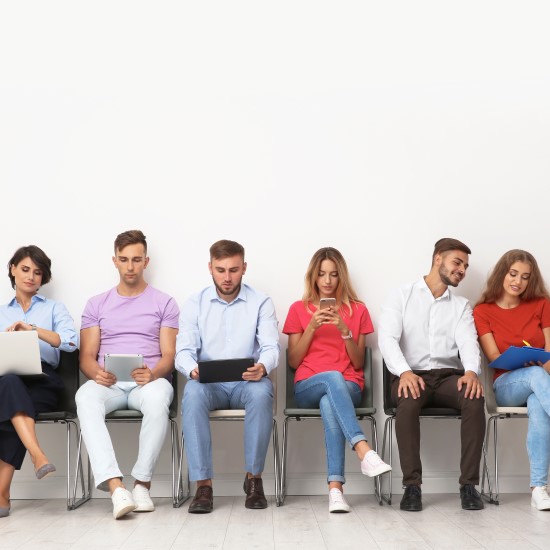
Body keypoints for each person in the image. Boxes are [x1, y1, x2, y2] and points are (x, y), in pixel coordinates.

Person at [75, 230, 179, 519]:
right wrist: (97, 373)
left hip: (148, 382)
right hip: (108, 383)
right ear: (115, 261)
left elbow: (169, 355)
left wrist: (153, 373)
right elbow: (86, 356)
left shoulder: (165, 303)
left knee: (159, 399)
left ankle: (142, 485)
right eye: (124, 260)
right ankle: (116, 487)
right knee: (84, 397)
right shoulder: (97, 304)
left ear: (146, 261)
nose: (130, 266)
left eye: (136, 260)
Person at [378, 237, 485, 512]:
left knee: (474, 398)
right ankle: (412, 486)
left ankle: (469, 486)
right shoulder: (401, 295)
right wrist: (404, 372)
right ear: (438, 258)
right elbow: (387, 339)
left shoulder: (460, 306)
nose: (462, 270)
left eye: (465, 266)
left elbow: (468, 343)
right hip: (410, 375)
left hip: (449, 377)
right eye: (457, 262)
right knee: (409, 399)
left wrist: (471, 372)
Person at [282, 247, 391, 513]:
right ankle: (363, 448)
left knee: (331, 400)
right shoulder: (298, 309)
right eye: (322, 275)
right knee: (331, 379)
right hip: (308, 384)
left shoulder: (358, 311)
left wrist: (344, 331)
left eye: (333, 275)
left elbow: (357, 363)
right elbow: (294, 361)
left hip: (349, 386)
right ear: (313, 277)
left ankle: (335, 491)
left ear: (341, 277)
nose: (328, 281)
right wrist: (312, 327)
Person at [176, 239, 279, 513]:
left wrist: (264, 367)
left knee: (262, 392)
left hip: (248, 381)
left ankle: (254, 479)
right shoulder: (194, 303)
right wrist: (193, 369)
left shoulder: (261, 302)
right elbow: (183, 352)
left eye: (233, 269)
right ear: (210, 267)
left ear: (244, 267)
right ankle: (203, 485)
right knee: (192, 392)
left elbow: (271, 347)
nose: (227, 277)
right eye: (220, 270)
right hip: (209, 384)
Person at [0, 245, 77, 518]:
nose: (31, 276)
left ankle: (2, 493)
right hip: (8, 377)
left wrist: (31, 329)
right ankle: (38, 455)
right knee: (9, 384)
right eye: (25, 269)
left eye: (37, 272)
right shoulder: (1, 312)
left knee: (11, 409)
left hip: (44, 380)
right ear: (13, 269)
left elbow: (69, 341)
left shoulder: (54, 308)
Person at [474, 249, 550, 511]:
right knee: (535, 374)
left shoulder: (541, 304)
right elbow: (494, 357)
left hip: (540, 382)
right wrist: (526, 362)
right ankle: (540, 487)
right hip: (506, 384)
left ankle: (539, 488)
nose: (518, 281)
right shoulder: (483, 311)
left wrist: (540, 363)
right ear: (502, 274)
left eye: (525, 277)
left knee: (539, 405)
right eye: (513, 273)